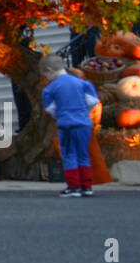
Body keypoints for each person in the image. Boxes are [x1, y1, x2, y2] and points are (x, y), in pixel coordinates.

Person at [41, 55, 99, 197]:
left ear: (49, 70)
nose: (46, 78)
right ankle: (87, 186)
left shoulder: (51, 88)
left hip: (66, 125)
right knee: (84, 154)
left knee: (69, 154)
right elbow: (92, 101)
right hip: (84, 124)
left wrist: (61, 114)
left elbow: (50, 109)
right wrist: (83, 111)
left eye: (45, 75)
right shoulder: (81, 83)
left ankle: (73, 187)